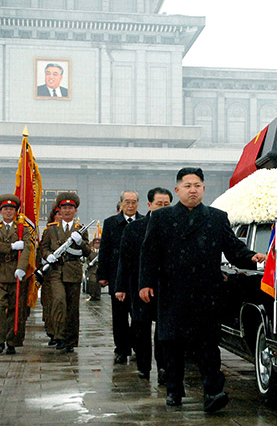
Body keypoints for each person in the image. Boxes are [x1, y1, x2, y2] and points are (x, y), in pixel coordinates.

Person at [139, 167, 266, 412]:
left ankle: (213, 392)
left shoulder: (217, 218)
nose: (193, 190)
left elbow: (234, 250)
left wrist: (253, 258)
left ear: (204, 189)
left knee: (208, 344)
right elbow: (149, 254)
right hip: (172, 290)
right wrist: (145, 283)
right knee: (173, 344)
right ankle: (174, 390)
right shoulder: (161, 218)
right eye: (187, 186)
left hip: (206, 292)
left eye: (197, 185)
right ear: (177, 190)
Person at [115, 187, 172, 382]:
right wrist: (120, 287)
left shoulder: (174, 227)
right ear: (149, 205)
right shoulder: (134, 228)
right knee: (141, 328)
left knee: (163, 331)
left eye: (166, 205)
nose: (163, 208)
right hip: (139, 286)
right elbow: (124, 260)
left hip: (165, 287)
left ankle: (163, 367)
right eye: (159, 204)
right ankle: (143, 366)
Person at [39, 192, 91, 352]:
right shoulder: (50, 229)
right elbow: (44, 247)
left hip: (73, 271)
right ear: (59, 211)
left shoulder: (81, 229)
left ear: (75, 211)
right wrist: (49, 256)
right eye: (64, 208)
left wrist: (79, 242)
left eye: (70, 208)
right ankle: (59, 336)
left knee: (72, 308)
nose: (67, 211)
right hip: (55, 271)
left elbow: (87, 251)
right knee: (59, 302)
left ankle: (70, 341)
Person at [97, 191, 144, 364]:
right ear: (121, 203)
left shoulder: (144, 222)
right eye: (127, 202)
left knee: (139, 316)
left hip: (138, 278)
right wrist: (102, 275)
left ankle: (137, 346)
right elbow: (105, 250)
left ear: (138, 203)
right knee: (119, 316)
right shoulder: (111, 223)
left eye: (134, 202)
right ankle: (121, 349)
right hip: (117, 277)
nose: (130, 205)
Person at [0, 194, 31, 354]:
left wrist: (21, 267)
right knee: (0, 308)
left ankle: (12, 341)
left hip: (15, 273)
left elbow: (27, 248)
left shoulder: (22, 229)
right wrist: (11, 246)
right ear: (1, 211)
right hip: (0, 274)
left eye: (11, 209)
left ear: (16, 211)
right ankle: (0, 340)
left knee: (15, 309)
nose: (8, 212)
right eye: (5, 209)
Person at [41, 203, 63, 346]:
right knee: (50, 304)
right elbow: (42, 249)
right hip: (50, 272)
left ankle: (60, 333)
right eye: (58, 214)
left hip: (65, 271)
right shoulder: (48, 231)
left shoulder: (73, 230)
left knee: (60, 303)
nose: (61, 216)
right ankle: (52, 331)